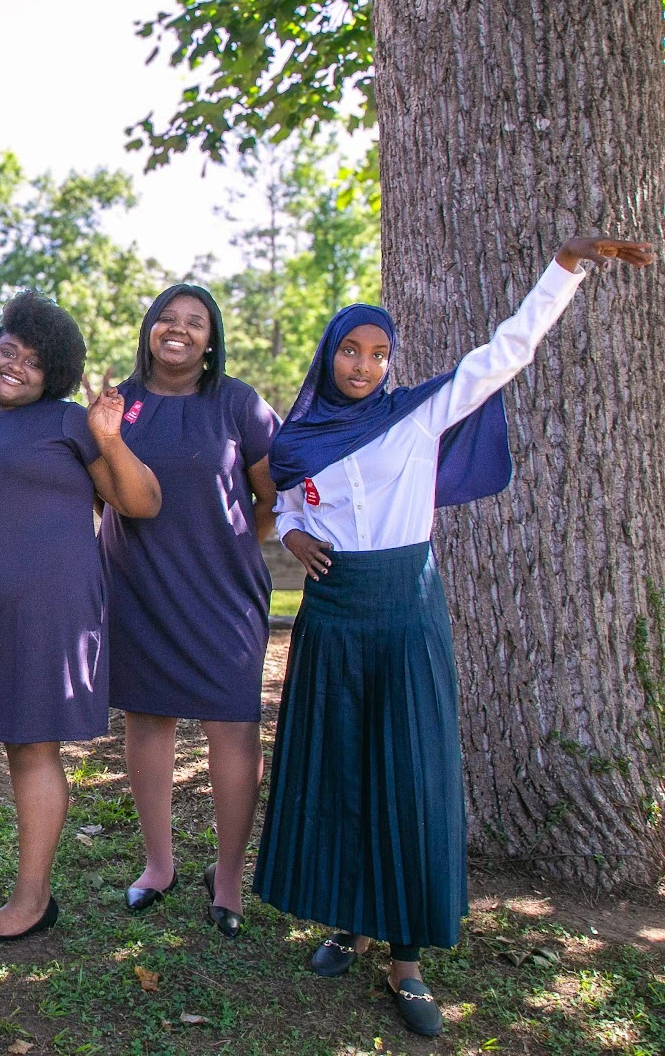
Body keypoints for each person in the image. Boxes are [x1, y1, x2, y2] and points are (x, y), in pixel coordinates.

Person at [256, 236, 655, 1037]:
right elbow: (292, 502)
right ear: (330, 354)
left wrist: (565, 268)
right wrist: (294, 533)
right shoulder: (295, 441)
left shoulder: (414, 416)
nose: (364, 366)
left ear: (391, 363)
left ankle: (406, 961)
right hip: (332, 615)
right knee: (341, 766)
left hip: (406, 611)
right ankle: (347, 920)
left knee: (408, 770)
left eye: (378, 354)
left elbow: (505, 351)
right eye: (351, 351)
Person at [0, 291, 161, 942]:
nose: (16, 365)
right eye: (8, 349)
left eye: (35, 362)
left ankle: (32, 898)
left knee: (28, 746)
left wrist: (109, 437)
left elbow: (142, 501)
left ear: (55, 376)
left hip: (45, 617)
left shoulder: (68, 423)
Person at [99, 285, 279, 938]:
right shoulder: (120, 402)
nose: (179, 330)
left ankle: (228, 879)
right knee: (148, 721)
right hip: (138, 586)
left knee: (232, 726)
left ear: (211, 337)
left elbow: (271, 496)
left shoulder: (238, 403)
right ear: (149, 329)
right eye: (168, 319)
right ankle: (159, 865)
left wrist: (228, 549)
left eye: (194, 323)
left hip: (224, 593)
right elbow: (100, 490)